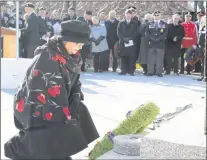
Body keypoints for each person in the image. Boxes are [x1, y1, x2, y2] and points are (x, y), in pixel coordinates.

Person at [4, 20, 99, 160]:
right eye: (78, 43)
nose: (80, 47)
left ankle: (60, 152)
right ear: (67, 40)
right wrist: (66, 110)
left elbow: (75, 81)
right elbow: (41, 89)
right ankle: (17, 147)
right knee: (56, 125)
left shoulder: (72, 56)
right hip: (36, 105)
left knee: (78, 111)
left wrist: (76, 95)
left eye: (82, 44)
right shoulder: (47, 57)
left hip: (57, 101)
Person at [146, 10, 168, 77]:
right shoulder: (149, 23)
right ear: (153, 16)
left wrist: (159, 39)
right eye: (155, 15)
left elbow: (165, 33)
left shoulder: (164, 24)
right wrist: (152, 39)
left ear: (160, 16)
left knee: (160, 59)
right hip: (151, 43)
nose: (156, 16)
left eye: (158, 15)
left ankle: (159, 72)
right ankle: (150, 71)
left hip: (160, 43)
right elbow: (147, 33)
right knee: (150, 58)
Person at [117, 9, 138, 76]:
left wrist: (130, 38)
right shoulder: (121, 22)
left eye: (129, 14)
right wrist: (124, 38)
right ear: (125, 15)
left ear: (131, 15)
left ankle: (131, 71)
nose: (128, 15)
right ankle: (123, 70)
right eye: (127, 14)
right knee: (123, 56)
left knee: (131, 57)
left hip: (131, 42)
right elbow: (118, 32)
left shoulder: (135, 23)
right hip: (123, 42)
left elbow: (136, 32)